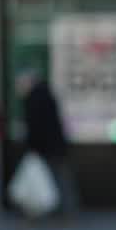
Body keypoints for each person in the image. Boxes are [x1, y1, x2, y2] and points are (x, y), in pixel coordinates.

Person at [19, 71, 78, 217]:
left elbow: (36, 127)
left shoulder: (34, 99)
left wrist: (32, 147)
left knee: (55, 179)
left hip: (47, 147)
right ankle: (65, 211)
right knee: (60, 179)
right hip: (55, 146)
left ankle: (63, 211)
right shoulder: (47, 95)